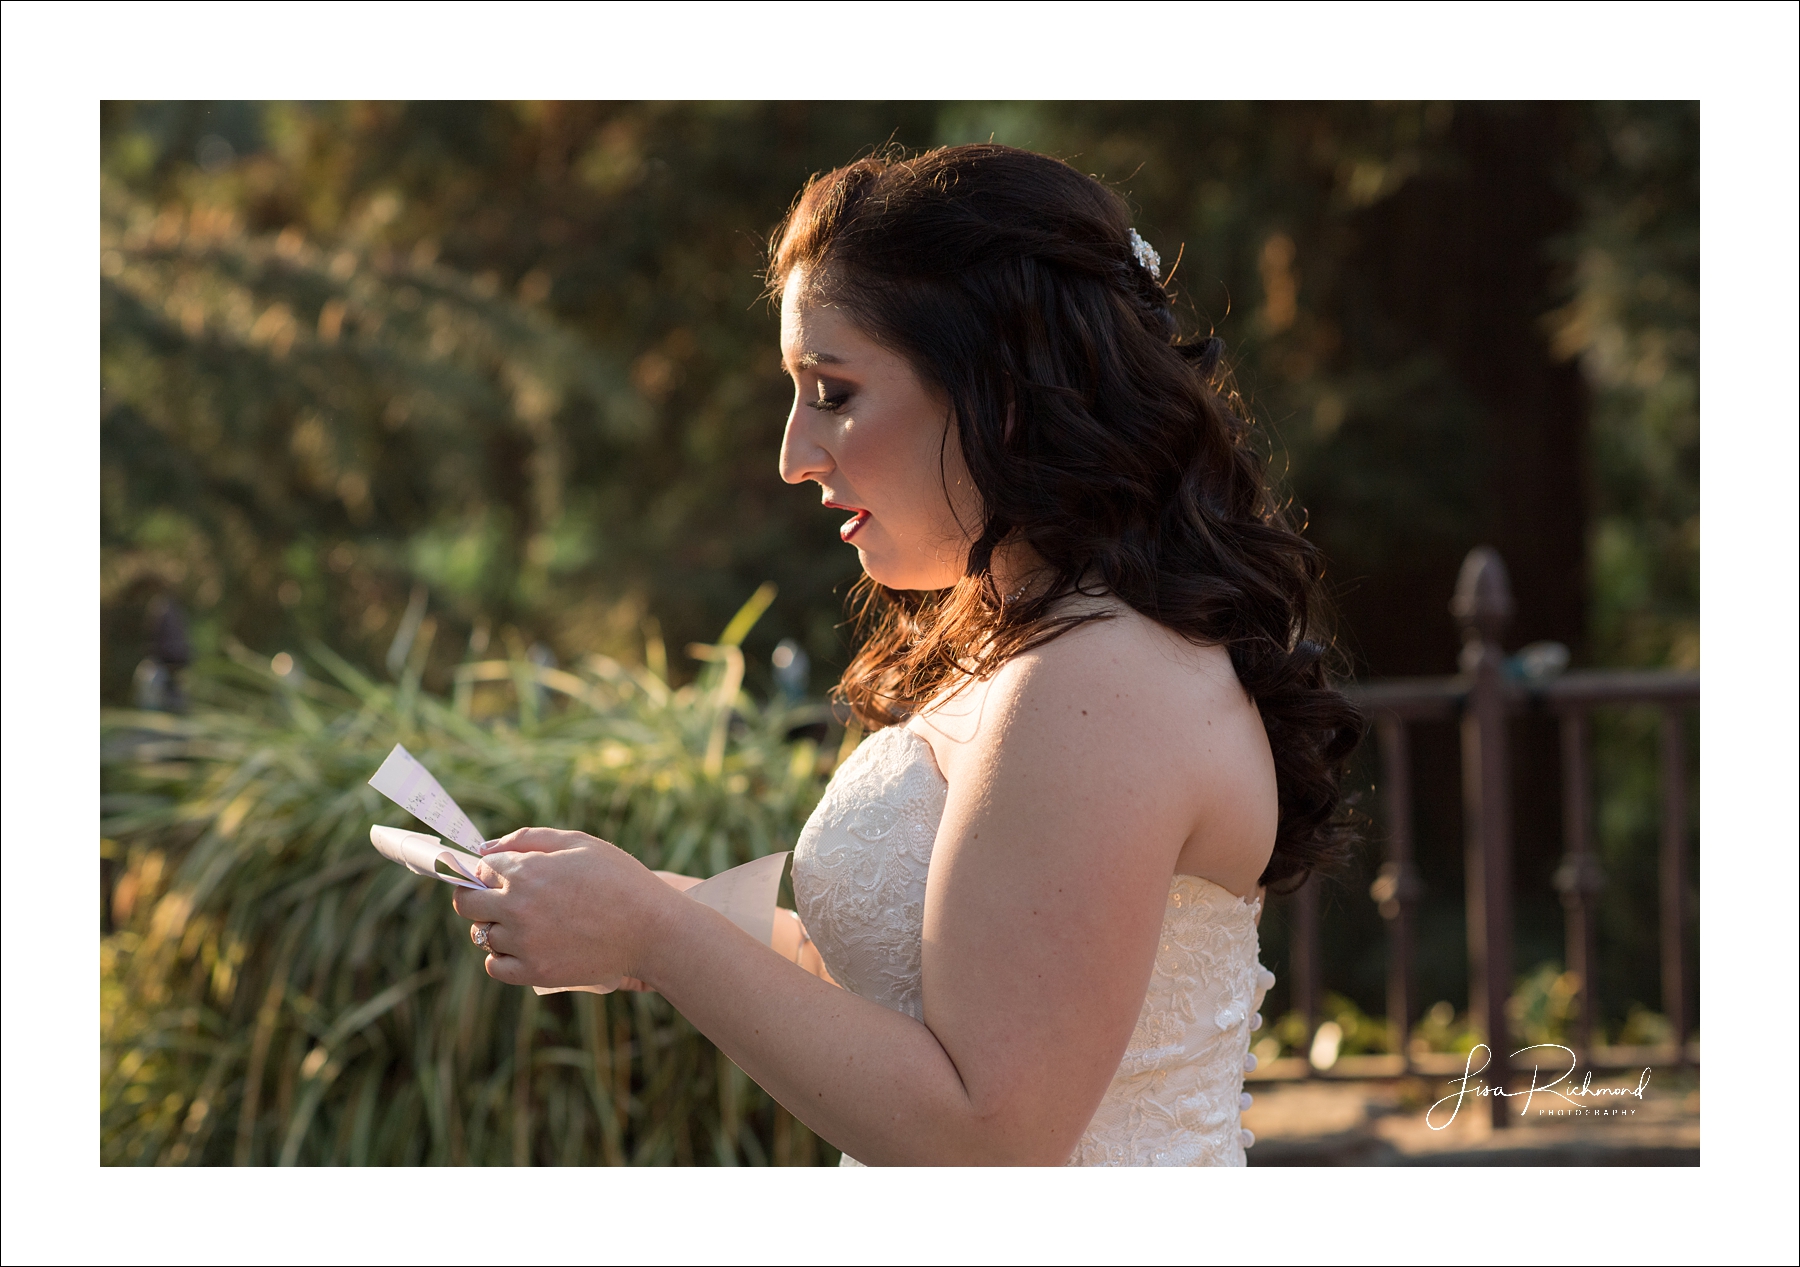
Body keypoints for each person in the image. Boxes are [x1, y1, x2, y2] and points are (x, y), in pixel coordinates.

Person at [454, 144, 1365, 1166]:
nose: (795, 454)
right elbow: (915, 997)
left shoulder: (1096, 677)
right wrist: (648, 907)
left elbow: (994, 1132)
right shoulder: (1030, 644)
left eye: (834, 392)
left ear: (1000, 389)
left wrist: (661, 941)